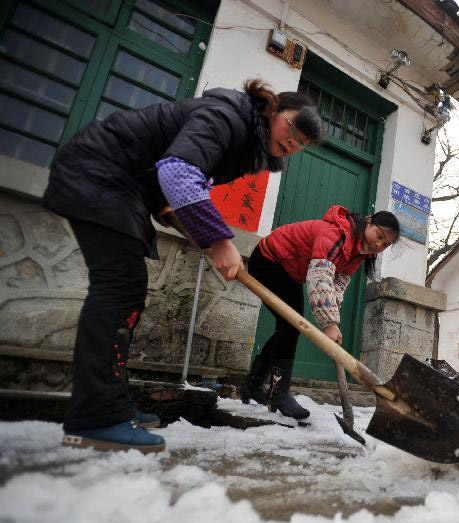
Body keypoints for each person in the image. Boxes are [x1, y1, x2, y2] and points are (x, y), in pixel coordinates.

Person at [44, 79, 325, 453]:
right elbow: (178, 171)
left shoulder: (242, 142)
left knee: (125, 293)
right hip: (99, 173)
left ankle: (107, 405)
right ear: (271, 109)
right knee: (119, 289)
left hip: (117, 182)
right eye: (292, 129)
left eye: (301, 144)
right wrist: (219, 239)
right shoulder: (227, 115)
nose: (294, 143)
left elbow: (171, 174)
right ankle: (97, 415)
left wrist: (168, 208)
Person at [240, 208, 400, 417]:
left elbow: (337, 284)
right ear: (368, 222)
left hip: (289, 272)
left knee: (287, 327)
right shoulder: (335, 234)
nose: (379, 245)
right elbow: (320, 277)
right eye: (379, 236)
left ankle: (253, 386)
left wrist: (334, 321)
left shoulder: (358, 253)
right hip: (269, 260)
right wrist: (329, 323)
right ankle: (278, 393)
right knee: (291, 325)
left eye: (385, 244)